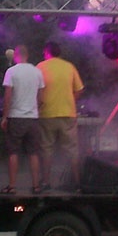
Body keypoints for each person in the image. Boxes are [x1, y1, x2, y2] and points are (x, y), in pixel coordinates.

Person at [36, 41, 85, 191]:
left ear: (47, 52)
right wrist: (70, 101)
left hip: (47, 114)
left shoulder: (40, 67)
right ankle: (77, 182)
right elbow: (79, 89)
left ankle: (46, 182)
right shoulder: (69, 67)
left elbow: (36, 91)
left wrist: (38, 106)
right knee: (72, 149)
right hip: (68, 113)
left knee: (46, 149)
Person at [0, 44, 44, 194]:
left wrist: (4, 117)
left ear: (16, 55)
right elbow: (41, 97)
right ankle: (36, 185)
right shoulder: (37, 72)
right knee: (33, 153)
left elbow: (8, 96)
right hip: (33, 118)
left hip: (16, 117)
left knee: (13, 152)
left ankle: (12, 186)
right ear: (28, 55)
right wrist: (35, 109)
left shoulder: (11, 71)